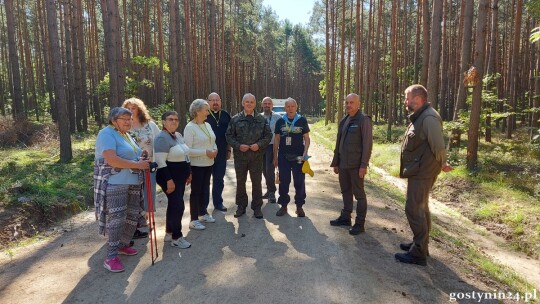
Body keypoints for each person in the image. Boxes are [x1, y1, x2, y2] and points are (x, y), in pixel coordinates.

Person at [395, 84, 453, 266]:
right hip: (419, 170)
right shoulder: (421, 116)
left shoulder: (428, 118)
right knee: (421, 208)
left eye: (407, 98)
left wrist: (442, 163)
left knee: (413, 208)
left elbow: (438, 145)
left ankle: (418, 253)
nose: (405, 101)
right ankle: (420, 244)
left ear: (418, 100)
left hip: (423, 172)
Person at [94, 107, 150, 273]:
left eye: (130, 118)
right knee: (117, 218)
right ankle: (110, 257)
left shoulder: (127, 135)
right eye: (123, 118)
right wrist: (137, 164)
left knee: (131, 215)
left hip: (132, 182)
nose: (128, 121)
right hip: (115, 183)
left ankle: (122, 245)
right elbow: (112, 160)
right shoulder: (106, 134)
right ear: (113, 120)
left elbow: (130, 157)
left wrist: (140, 157)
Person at [330, 93, 373, 235]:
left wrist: (363, 165)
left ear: (358, 104)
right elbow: (338, 142)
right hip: (343, 164)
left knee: (359, 195)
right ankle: (345, 217)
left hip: (356, 165)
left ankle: (359, 224)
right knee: (345, 191)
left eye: (352, 102)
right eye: (347, 102)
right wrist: (336, 162)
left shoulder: (363, 120)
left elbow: (367, 144)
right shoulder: (344, 120)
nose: (348, 105)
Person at [226, 93, 272, 219]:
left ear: (255, 104)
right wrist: (238, 145)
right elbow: (229, 136)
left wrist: (259, 144)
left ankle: (257, 207)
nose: (249, 104)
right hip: (240, 157)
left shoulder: (261, 119)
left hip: (256, 157)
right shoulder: (235, 119)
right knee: (241, 182)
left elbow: (268, 136)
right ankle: (241, 206)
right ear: (243, 103)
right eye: (247, 102)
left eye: (252, 102)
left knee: (257, 182)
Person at [122, 98, 160, 239]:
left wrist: (159, 162)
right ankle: (136, 222)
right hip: (131, 166)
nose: (131, 111)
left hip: (149, 165)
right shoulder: (124, 126)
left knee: (149, 193)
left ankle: (149, 219)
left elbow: (158, 141)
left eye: (133, 108)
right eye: (128, 108)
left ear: (139, 109)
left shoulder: (149, 125)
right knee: (134, 195)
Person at [154, 111, 192, 248]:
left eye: (176, 119)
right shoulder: (162, 138)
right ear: (164, 122)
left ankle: (169, 232)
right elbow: (160, 161)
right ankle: (177, 237)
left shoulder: (178, 135)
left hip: (180, 177)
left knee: (173, 204)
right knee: (178, 206)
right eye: (170, 119)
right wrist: (169, 180)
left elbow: (185, 155)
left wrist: (189, 172)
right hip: (168, 177)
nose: (174, 121)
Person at [273, 98, 310, 217]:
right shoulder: (280, 121)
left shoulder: (302, 120)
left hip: (299, 156)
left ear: (296, 107)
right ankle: (283, 206)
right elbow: (277, 140)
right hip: (283, 156)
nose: (290, 109)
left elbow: (307, 138)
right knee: (284, 181)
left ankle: (299, 207)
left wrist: (305, 152)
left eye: (292, 106)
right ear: (285, 108)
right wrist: (275, 157)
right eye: (287, 107)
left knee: (299, 181)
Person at [184, 99, 218, 229]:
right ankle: (193, 219)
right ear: (197, 111)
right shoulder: (190, 127)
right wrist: (205, 152)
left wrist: (215, 149)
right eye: (206, 110)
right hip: (196, 165)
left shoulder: (207, 125)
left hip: (209, 163)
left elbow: (212, 140)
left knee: (204, 189)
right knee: (196, 191)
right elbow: (187, 150)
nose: (208, 113)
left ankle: (203, 213)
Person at [205, 92, 232, 212]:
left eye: (217, 100)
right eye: (212, 100)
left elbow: (230, 133)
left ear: (220, 101)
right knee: (205, 181)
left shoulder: (226, 115)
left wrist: (229, 149)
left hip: (221, 153)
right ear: (208, 102)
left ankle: (218, 203)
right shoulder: (203, 114)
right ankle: (203, 206)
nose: (215, 102)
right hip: (206, 154)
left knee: (219, 179)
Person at [261, 97, 282, 204]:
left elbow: (281, 134)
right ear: (262, 105)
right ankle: (269, 189)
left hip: (272, 146)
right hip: (260, 147)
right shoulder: (258, 117)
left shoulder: (278, 118)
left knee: (270, 169)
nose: (267, 105)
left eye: (269, 103)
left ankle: (272, 192)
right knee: (264, 170)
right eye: (265, 103)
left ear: (272, 105)